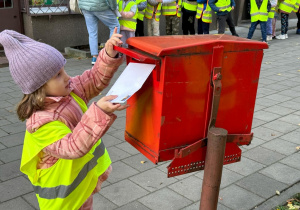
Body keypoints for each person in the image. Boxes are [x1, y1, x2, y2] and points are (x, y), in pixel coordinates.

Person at [0, 28, 128, 210]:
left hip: (81, 188)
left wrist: (108, 54)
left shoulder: (69, 91)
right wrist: (99, 111)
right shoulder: (41, 122)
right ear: (39, 87)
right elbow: (72, 147)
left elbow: (93, 79)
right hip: (63, 200)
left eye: (63, 69)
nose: (67, 76)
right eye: (58, 75)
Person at [79, 0, 120, 64]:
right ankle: (111, 54)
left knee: (92, 32)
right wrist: (114, 8)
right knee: (115, 26)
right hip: (99, 5)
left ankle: (94, 58)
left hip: (85, 6)